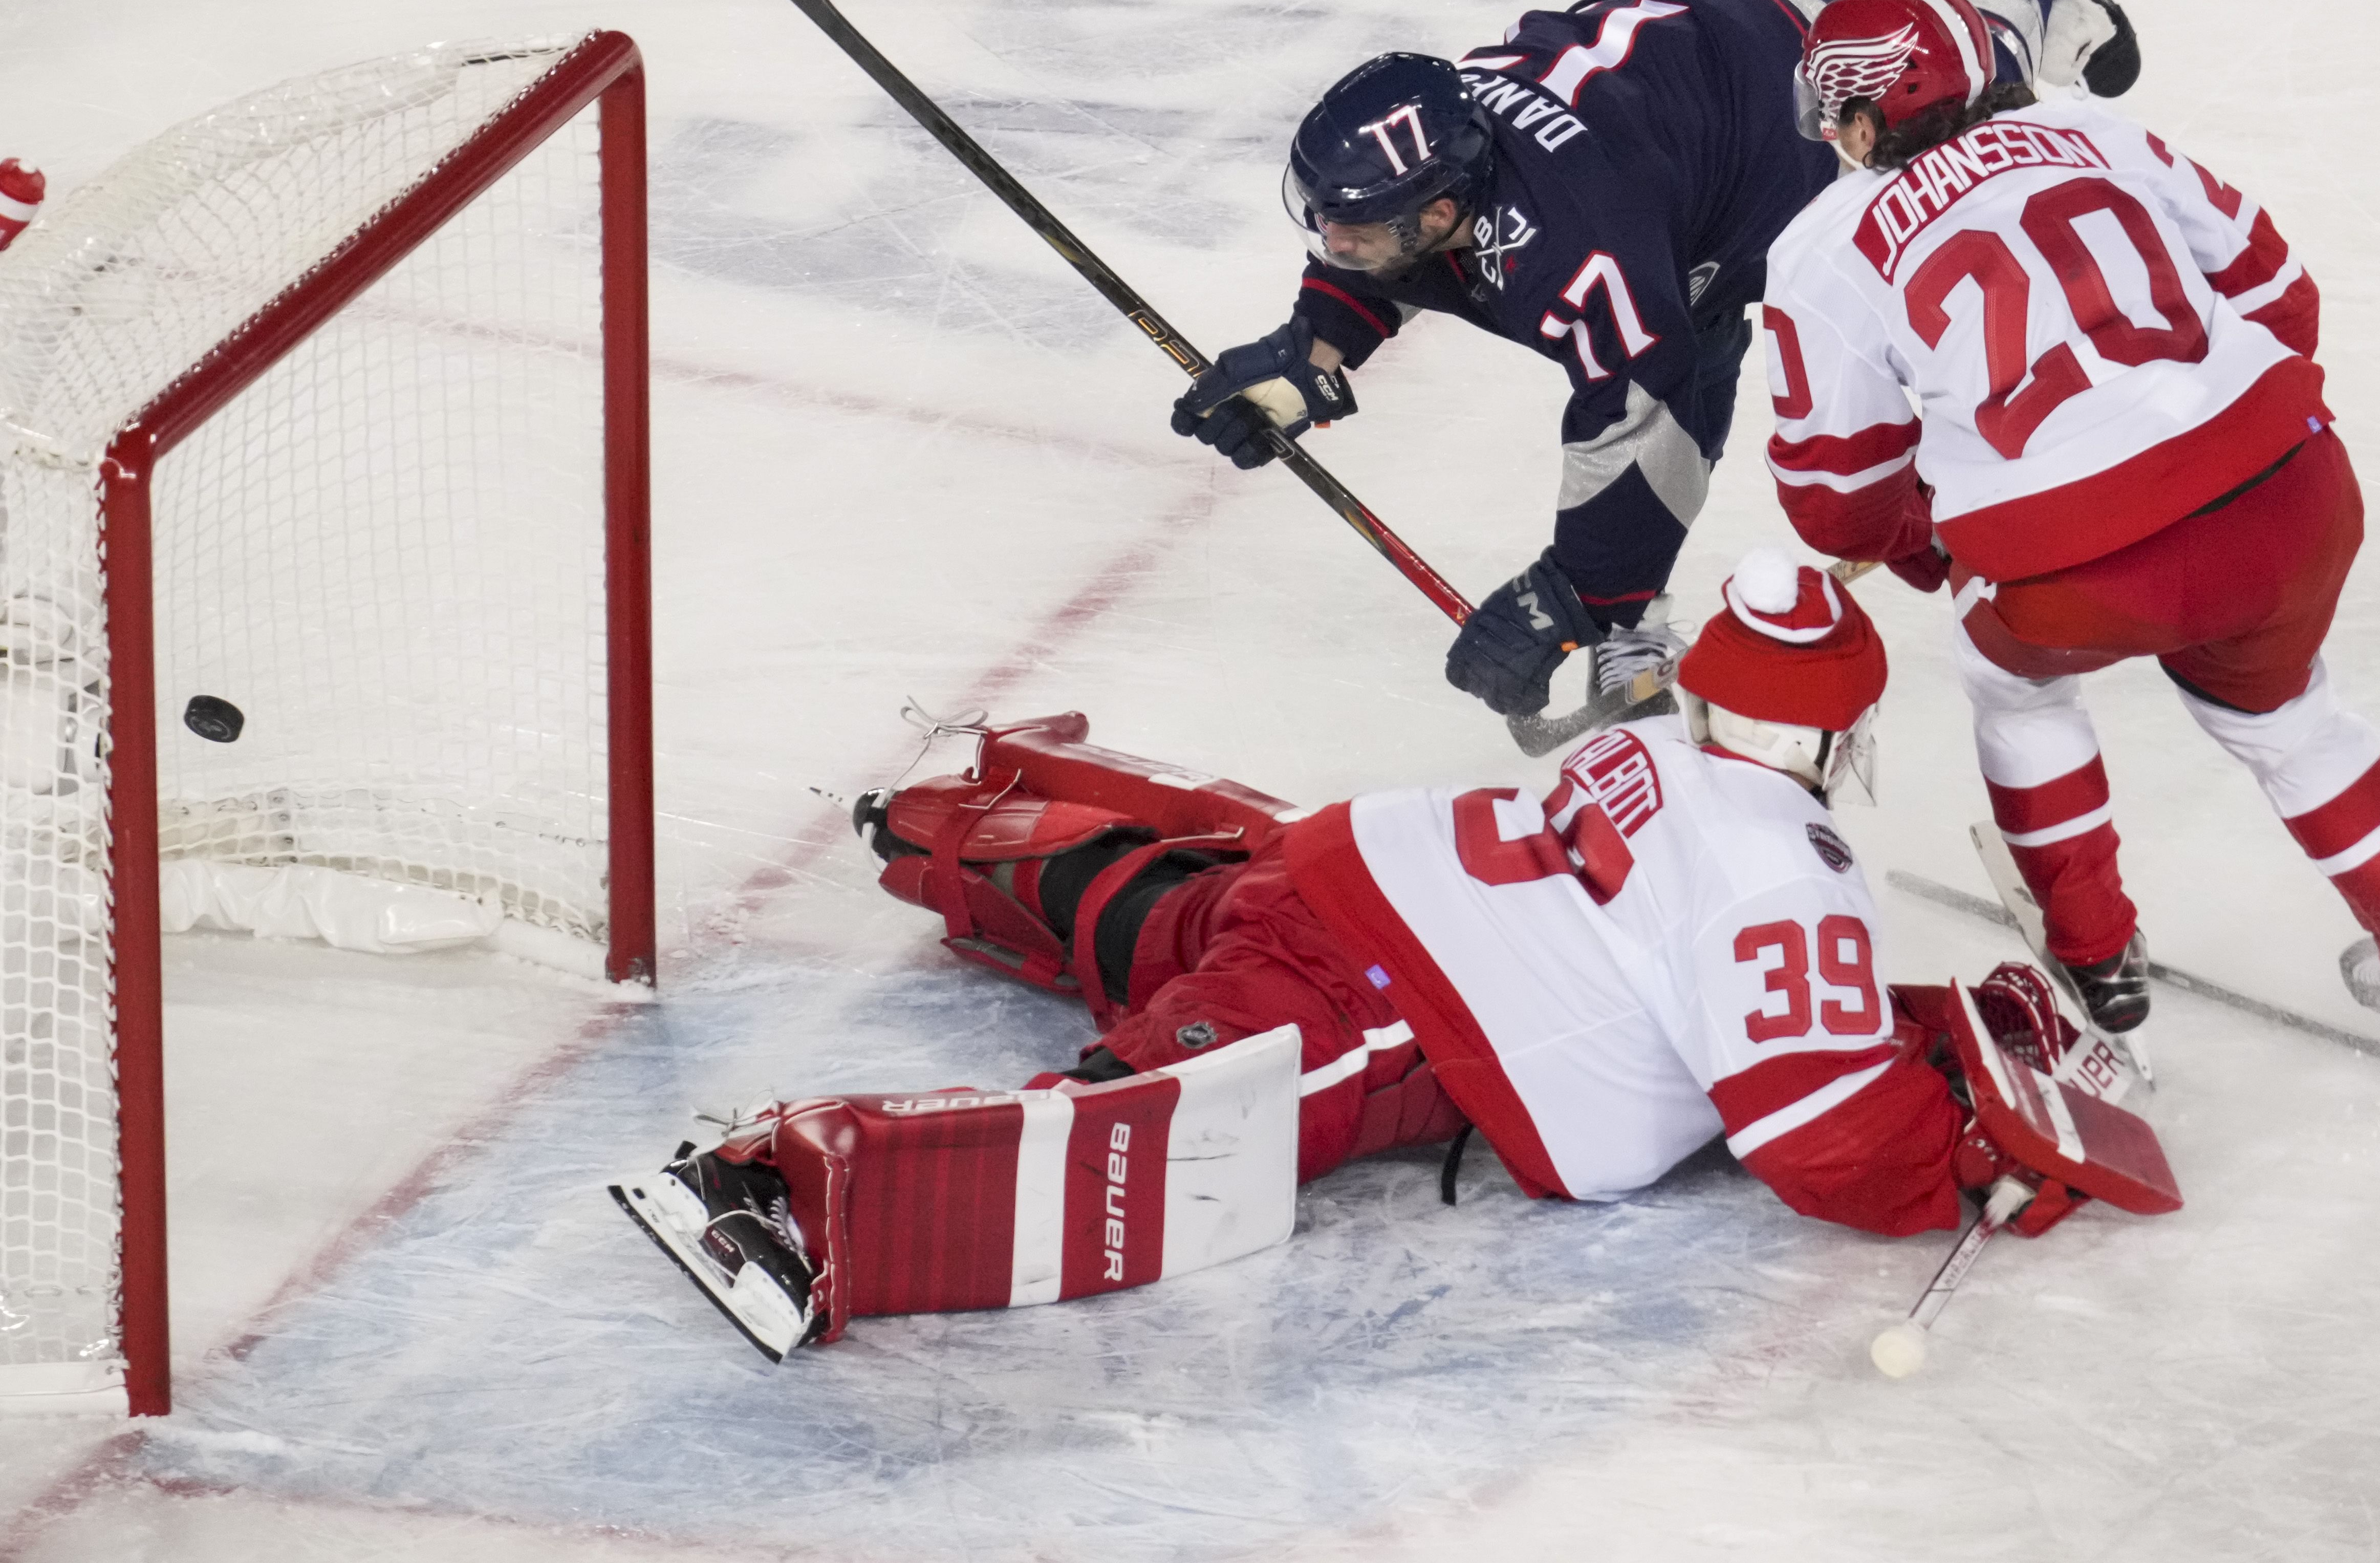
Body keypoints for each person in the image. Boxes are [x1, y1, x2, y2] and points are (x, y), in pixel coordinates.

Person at [613, 552, 2178, 1359]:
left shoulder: (1655, 754)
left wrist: (1924, 1050)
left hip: (1321, 880)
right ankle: (793, 1197)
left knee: (1175, 920)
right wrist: (1962, 1152)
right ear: (1841, 726)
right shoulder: (1794, 869)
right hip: (1384, 1007)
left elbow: (1723, 996)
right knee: (1178, 1128)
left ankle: (959, 829)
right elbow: (1822, 1133)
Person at [1758, 0, 2380, 1053]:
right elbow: (2281, 292)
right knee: (2288, 715)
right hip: (2292, 492)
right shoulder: (2093, 131)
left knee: (2013, 683)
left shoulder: (1821, 248)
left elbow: (1836, 496)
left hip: (2072, 566)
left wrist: (1936, 551)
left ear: (1867, 115)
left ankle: (2097, 960)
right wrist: (2227, 450)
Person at [1166, 0, 2138, 729]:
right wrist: (1313, 352)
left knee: (1954, 112)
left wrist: (1570, 592)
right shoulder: (1453, 173)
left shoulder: (1582, 244)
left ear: (1443, 210)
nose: (1337, 247)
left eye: (1357, 232)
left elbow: (1642, 407)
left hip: (1790, 89)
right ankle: (1625, 606)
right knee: (1685, 331)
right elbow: (1389, 251)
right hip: (1691, 72)